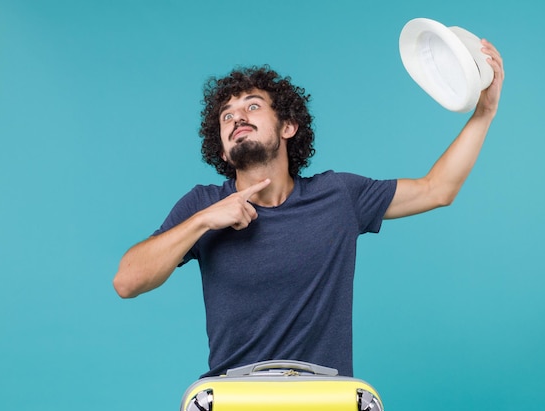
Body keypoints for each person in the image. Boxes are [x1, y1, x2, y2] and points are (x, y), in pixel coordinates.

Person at [113, 40, 504, 378]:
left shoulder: (339, 196)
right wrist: (201, 222)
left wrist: (484, 113)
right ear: (222, 149)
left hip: (324, 404)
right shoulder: (202, 204)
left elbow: (438, 189)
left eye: (252, 107)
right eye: (227, 117)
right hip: (233, 404)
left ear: (288, 127)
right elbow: (127, 281)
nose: (237, 119)